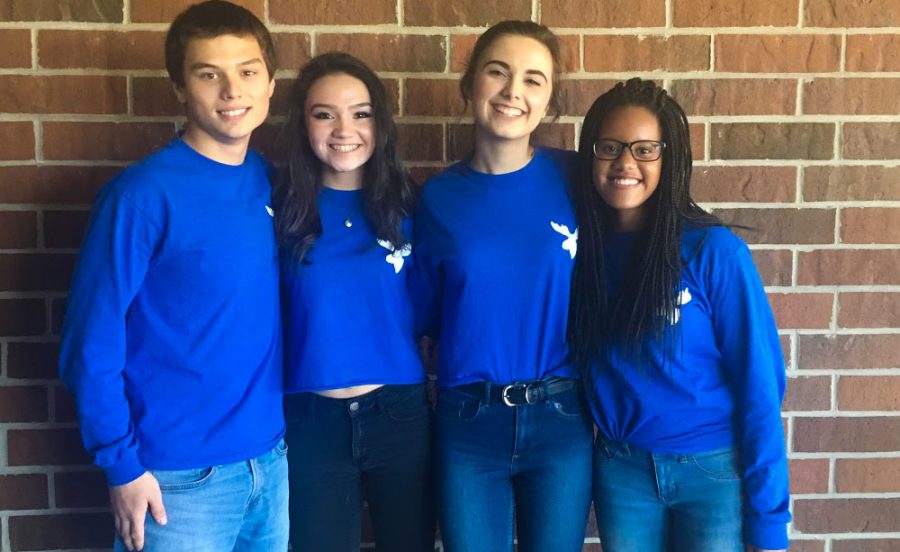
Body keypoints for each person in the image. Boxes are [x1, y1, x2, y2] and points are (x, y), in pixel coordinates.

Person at [57, 2, 287, 550]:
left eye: (248, 71)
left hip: (270, 464)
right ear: (181, 88)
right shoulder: (141, 196)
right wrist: (121, 465)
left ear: (271, 83)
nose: (232, 91)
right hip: (176, 482)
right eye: (209, 74)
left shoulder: (269, 180)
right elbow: (90, 341)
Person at [568, 78, 791, 552]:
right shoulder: (579, 251)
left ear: (670, 160)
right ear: (590, 154)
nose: (625, 163)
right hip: (621, 471)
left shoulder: (713, 252)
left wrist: (769, 522)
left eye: (645, 149)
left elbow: (760, 384)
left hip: (710, 472)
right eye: (610, 147)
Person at [409, 20, 593, 552]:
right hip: (469, 421)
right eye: (498, 72)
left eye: (533, 80)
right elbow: (425, 316)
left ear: (549, 100)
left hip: (561, 415)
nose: (514, 91)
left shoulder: (577, 179)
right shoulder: (439, 199)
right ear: (470, 85)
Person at [273, 52, 433, 551]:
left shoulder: (412, 205)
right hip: (308, 420)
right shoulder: (281, 208)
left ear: (380, 124)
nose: (344, 129)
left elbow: (430, 308)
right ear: (303, 123)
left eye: (360, 113)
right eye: (325, 114)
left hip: (400, 415)